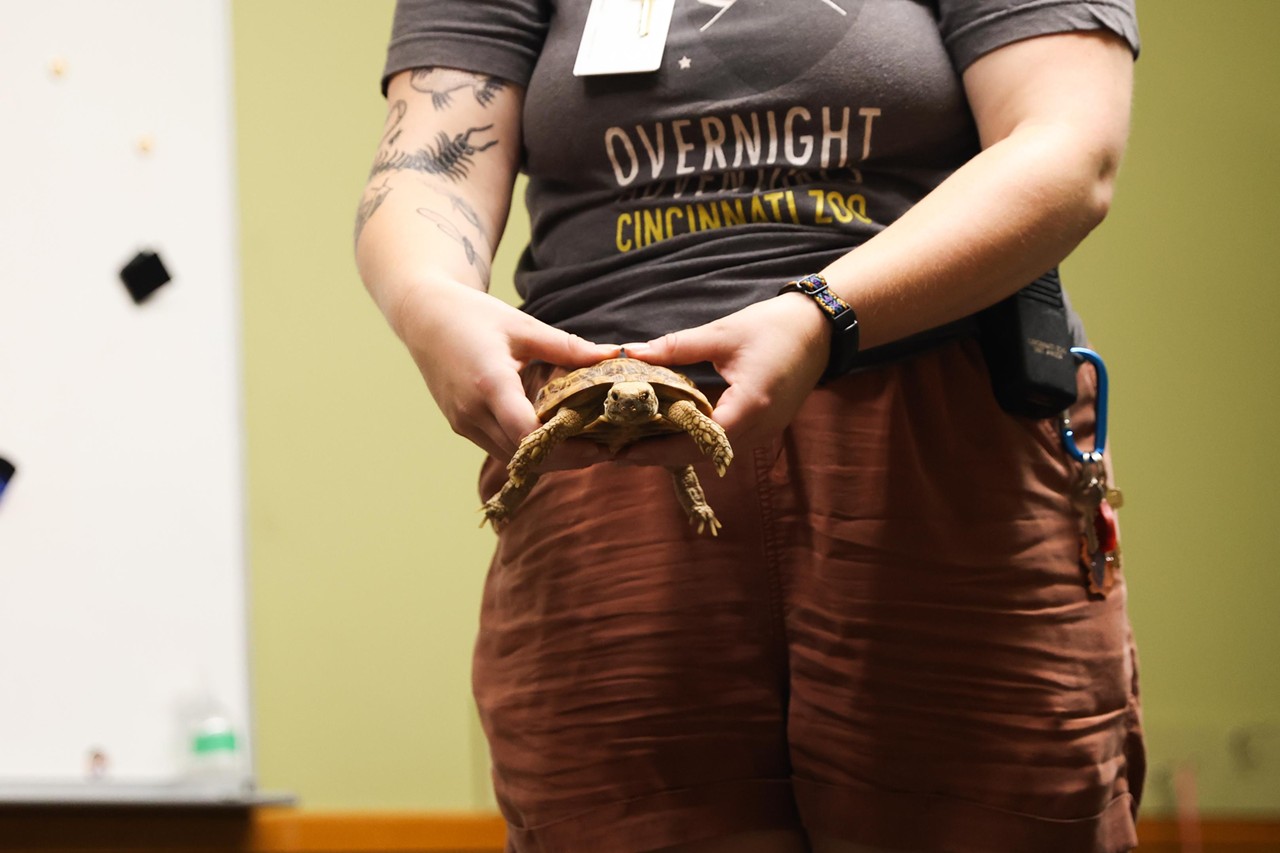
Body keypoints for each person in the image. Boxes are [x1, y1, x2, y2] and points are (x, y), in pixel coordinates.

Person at [354, 2, 1144, 851]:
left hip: (935, 439)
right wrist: (426, 298)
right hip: (611, 454)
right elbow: (429, 161)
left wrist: (825, 315)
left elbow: (1067, 148)